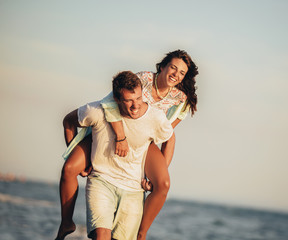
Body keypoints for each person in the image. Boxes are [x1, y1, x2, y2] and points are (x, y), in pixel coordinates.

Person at [56, 50, 199, 240]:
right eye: (173, 68)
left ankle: (141, 233)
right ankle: (66, 222)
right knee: (69, 168)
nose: (176, 74)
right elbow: (109, 103)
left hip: (144, 138)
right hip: (114, 128)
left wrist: (153, 172)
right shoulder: (142, 79)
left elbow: (168, 135)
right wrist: (120, 136)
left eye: (182, 72)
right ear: (162, 66)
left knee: (163, 184)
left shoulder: (181, 99)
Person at [62, 71, 174, 239]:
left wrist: (158, 173)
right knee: (102, 236)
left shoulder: (155, 117)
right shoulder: (98, 111)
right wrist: (77, 155)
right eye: (128, 101)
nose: (135, 106)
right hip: (102, 181)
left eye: (137, 98)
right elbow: (68, 121)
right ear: (115, 99)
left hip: (133, 189)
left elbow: (170, 137)